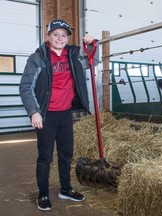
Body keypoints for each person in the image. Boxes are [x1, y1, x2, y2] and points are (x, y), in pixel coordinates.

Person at [19, 19, 99, 211]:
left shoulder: (72, 54)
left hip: (65, 113)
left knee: (66, 154)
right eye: (55, 34)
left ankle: (66, 188)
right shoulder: (38, 58)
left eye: (64, 35)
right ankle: (43, 193)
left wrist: (92, 44)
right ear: (48, 36)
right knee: (45, 156)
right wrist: (34, 112)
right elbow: (25, 87)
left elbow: (92, 61)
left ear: (68, 38)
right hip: (46, 115)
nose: (60, 38)